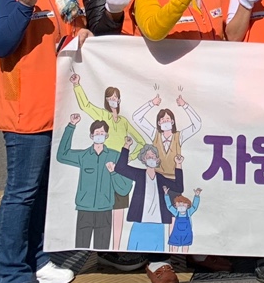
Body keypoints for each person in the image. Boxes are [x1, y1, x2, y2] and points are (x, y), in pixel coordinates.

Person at [0, 0, 90, 283]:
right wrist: (24, 7)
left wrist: (84, 34)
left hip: (60, 108)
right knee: (22, 193)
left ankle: (37, 257)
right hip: (25, 110)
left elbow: (69, 36)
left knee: (46, 191)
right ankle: (9, 276)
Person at [67, 75, 148, 261]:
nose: (113, 100)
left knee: (119, 210)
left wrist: (128, 158)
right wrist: (77, 85)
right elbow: (85, 105)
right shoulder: (102, 116)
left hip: (120, 168)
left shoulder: (124, 121)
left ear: (119, 100)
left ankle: (118, 248)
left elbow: (141, 141)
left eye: (116, 97)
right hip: (103, 165)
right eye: (110, 97)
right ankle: (105, 251)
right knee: (103, 210)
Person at [56, 116, 131, 251]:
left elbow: (125, 188)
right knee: (80, 250)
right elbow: (62, 155)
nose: (99, 135)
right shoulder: (83, 156)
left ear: (107, 136)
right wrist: (71, 126)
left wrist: (113, 173)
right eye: (97, 133)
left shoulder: (115, 156)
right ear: (91, 136)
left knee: (102, 250)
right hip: (84, 210)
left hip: (105, 211)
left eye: (102, 133)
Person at [115, 139, 184, 272]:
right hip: (140, 219)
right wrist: (126, 146)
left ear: (157, 160)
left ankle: (158, 266)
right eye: (148, 156)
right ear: (143, 159)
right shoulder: (139, 174)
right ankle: (132, 264)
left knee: (158, 249)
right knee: (134, 247)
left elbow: (178, 187)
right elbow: (120, 168)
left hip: (158, 220)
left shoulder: (161, 178)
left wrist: (178, 165)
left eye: (153, 156)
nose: (151, 158)